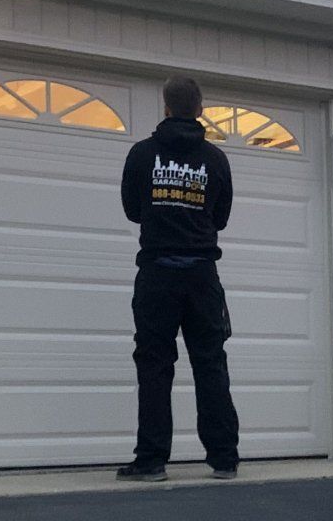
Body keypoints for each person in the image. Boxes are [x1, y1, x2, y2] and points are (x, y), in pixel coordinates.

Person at [116, 75, 240, 482]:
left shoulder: (141, 155)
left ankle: (151, 460)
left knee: (154, 365)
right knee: (210, 362)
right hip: (202, 275)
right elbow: (219, 217)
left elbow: (134, 210)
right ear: (200, 109)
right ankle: (224, 458)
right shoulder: (216, 160)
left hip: (157, 274)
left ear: (166, 108)